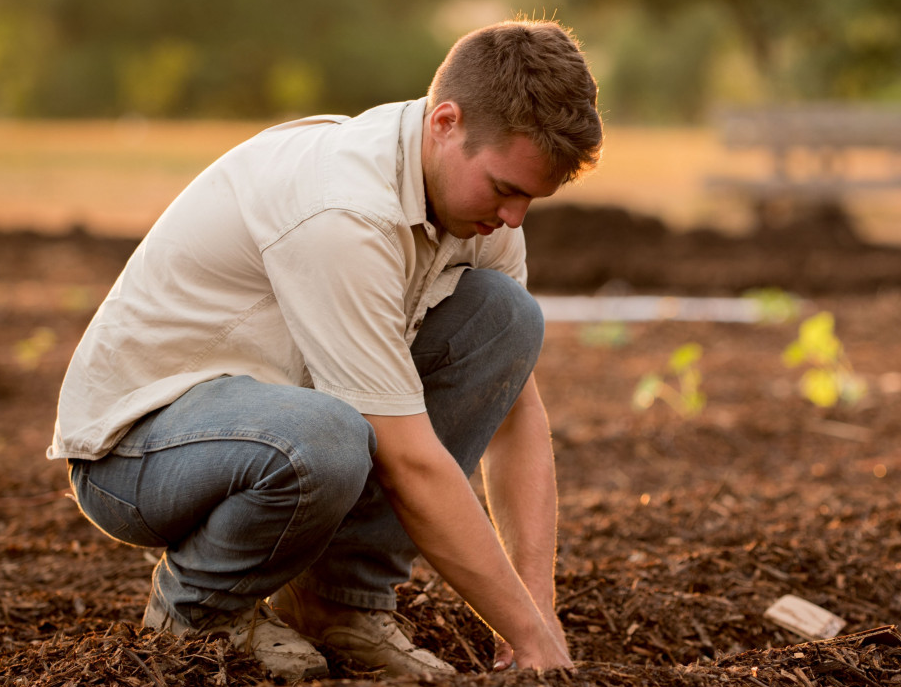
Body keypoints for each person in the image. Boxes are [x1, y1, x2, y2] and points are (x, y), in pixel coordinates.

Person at [47, 19, 601, 682]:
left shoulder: (478, 213)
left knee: (505, 318)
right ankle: (200, 612)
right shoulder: (342, 209)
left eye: (530, 198)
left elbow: (514, 412)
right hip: (135, 450)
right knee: (328, 435)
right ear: (445, 122)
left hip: (274, 420)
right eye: (505, 188)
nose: (513, 218)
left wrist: (538, 611)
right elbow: (408, 462)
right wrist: (518, 628)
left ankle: (338, 602)